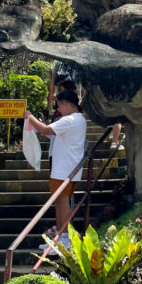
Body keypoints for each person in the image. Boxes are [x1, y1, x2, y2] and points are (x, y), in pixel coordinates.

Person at [24, 90, 87, 247]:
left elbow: (45, 129)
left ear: (66, 104)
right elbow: (49, 132)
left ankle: (65, 237)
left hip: (65, 168)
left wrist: (29, 117)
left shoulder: (71, 119)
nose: (58, 109)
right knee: (59, 201)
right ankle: (60, 237)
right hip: (63, 168)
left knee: (63, 201)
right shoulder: (77, 119)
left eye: (59, 105)